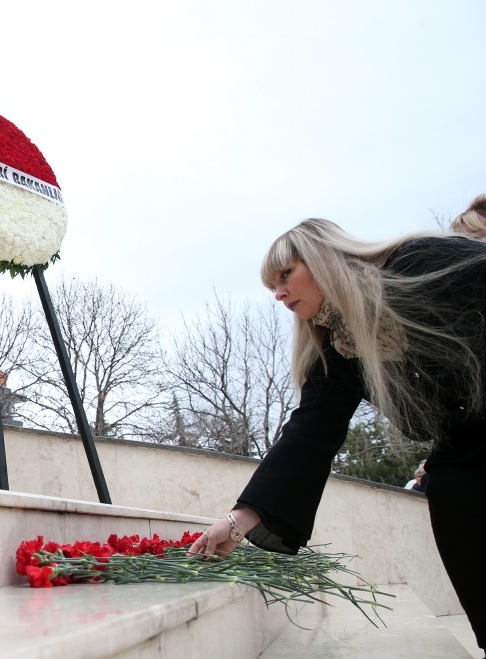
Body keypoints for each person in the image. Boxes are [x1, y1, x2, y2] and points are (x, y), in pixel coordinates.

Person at [186, 218, 486, 655]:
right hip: (465, 451)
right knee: (451, 488)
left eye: (285, 275)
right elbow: (309, 435)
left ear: (323, 259)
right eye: (272, 286)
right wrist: (241, 517)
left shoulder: (416, 264)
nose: (279, 293)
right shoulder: (337, 352)